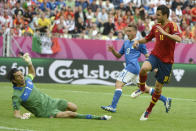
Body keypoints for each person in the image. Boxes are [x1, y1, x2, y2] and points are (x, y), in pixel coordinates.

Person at [7, 53, 111, 120]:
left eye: (21, 74)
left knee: (74, 107)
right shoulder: (17, 95)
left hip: (52, 101)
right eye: (18, 76)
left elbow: (32, 73)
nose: (21, 77)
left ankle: (61, 115)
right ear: (13, 80)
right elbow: (16, 114)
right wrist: (22, 117)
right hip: (45, 112)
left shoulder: (27, 79)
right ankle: (100, 118)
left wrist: (29, 63)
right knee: (71, 114)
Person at [101, 24, 171, 113]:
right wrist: (113, 50)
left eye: (129, 31)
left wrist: (155, 67)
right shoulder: (126, 42)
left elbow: (147, 56)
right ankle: (166, 99)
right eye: (126, 31)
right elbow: (118, 55)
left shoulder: (139, 43)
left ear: (135, 32)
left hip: (132, 66)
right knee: (145, 88)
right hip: (135, 69)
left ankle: (113, 106)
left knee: (118, 84)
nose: (127, 33)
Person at [133, 5, 181, 120]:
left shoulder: (172, 25)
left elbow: (179, 39)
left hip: (167, 61)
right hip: (155, 56)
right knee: (143, 68)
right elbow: (147, 39)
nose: (156, 16)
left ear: (165, 15)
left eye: (158, 15)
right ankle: (142, 87)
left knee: (158, 88)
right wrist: (137, 41)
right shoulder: (155, 26)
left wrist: (165, 34)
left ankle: (148, 110)